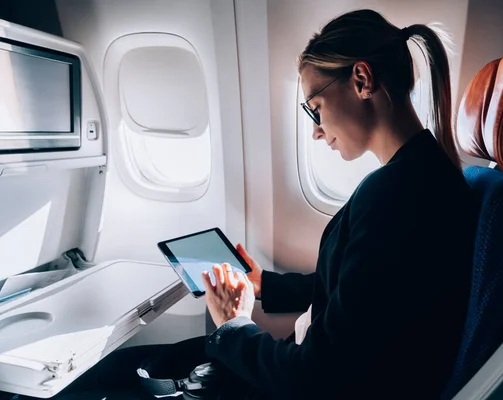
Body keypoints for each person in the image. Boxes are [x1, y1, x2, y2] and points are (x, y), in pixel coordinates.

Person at [32, 8, 476, 400]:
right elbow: (358, 291)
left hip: (301, 380)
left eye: (315, 107)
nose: (317, 131)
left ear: (361, 80)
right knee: (117, 370)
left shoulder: (398, 195)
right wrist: (266, 285)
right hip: (304, 367)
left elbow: (316, 375)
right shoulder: (419, 178)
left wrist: (233, 326)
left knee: (103, 381)